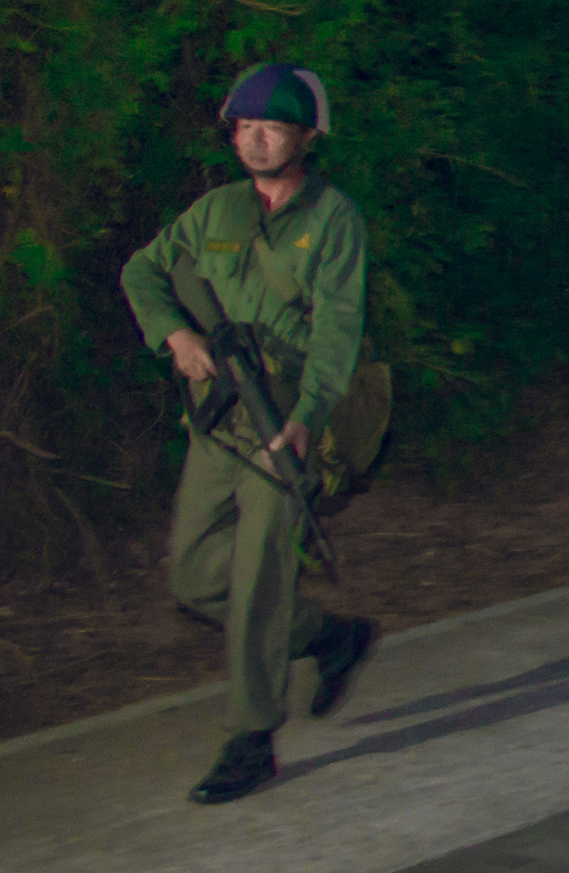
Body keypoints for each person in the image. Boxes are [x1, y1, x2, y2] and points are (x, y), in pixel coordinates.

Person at [120, 63, 383, 806]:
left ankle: (251, 737)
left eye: (272, 127)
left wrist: (307, 417)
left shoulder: (333, 220)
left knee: (260, 577)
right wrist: (174, 332)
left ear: (305, 136)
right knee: (194, 574)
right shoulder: (215, 213)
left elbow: (338, 330)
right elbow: (142, 272)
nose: (256, 138)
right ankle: (329, 637)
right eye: (244, 126)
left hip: (285, 422)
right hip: (218, 420)